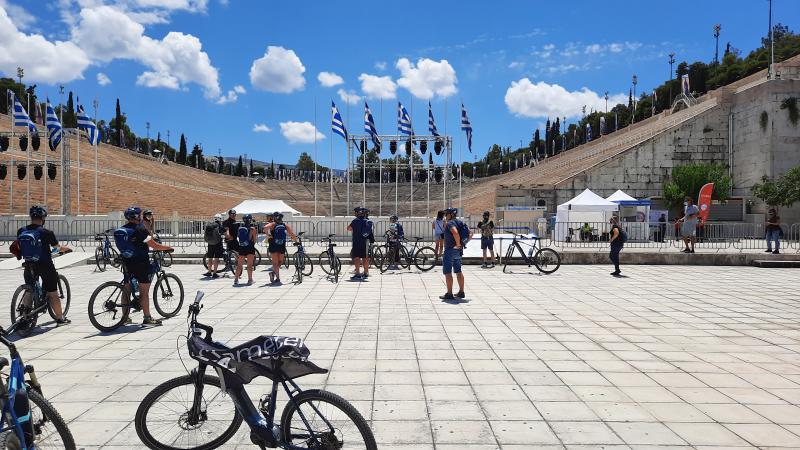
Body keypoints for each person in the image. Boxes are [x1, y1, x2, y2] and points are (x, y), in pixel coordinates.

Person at [115, 206, 174, 326]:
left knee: (126, 289)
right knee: (144, 291)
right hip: (141, 263)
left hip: (127, 262)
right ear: (137, 216)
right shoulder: (140, 229)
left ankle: (125, 317)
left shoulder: (123, 229)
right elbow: (154, 245)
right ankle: (147, 318)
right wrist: (168, 247)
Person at [15, 206, 71, 325]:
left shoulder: (21, 230)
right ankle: (60, 319)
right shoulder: (47, 233)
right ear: (43, 218)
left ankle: (25, 317)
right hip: (45, 265)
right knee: (52, 292)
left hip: (29, 264)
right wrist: (66, 249)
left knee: (29, 290)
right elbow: (57, 248)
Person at [441, 208, 470, 300]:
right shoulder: (460, 223)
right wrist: (461, 245)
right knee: (458, 271)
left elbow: (455, 232)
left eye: (446, 214)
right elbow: (471, 234)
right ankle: (461, 292)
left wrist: (457, 244)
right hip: (458, 251)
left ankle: (449, 293)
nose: (445, 216)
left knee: (448, 272)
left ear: (451, 215)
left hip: (450, 250)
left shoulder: (450, 223)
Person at [263, 212, 297, 286]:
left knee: (276, 262)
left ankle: (274, 274)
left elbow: (265, 227)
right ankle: (277, 277)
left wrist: (269, 235)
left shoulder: (273, 224)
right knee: (280, 261)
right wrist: (296, 240)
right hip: (282, 245)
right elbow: (291, 233)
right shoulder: (284, 225)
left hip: (273, 244)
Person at [231, 214, 257, 285]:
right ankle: (250, 280)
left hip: (242, 247)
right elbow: (254, 240)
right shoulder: (253, 229)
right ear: (250, 220)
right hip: (250, 247)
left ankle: (236, 280)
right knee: (249, 265)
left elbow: (238, 238)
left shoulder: (240, 228)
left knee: (239, 265)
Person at [347, 207, 369, 280]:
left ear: (357, 213)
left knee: (357, 257)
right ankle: (366, 273)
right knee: (365, 257)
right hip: (365, 241)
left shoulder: (355, 221)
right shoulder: (367, 221)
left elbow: (349, 228)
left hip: (357, 241)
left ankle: (357, 274)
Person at [203, 214, 224, 278]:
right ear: (220, 219)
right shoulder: (219, 226)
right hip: (218, 243)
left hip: (210, 243)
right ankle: (214, 273)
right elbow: (224, 233)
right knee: (216, 258)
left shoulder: (210, 225)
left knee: (210, 258)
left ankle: (209, 272)